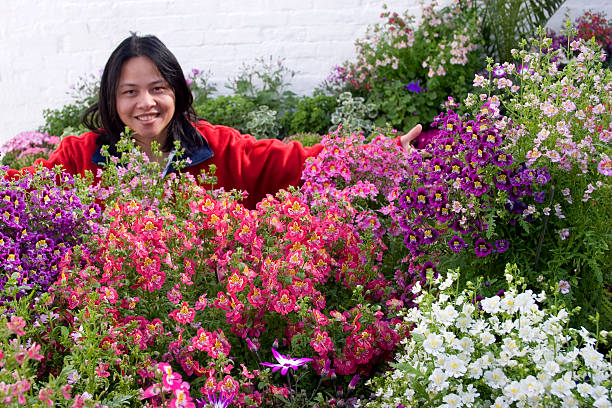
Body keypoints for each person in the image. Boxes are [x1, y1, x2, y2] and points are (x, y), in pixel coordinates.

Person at [7, 34, 422, 209]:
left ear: (177, 91)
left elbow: (295, 160)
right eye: (129, 92)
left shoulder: (215, 148)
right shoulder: (81, 157)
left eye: (158, 88)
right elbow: (21, 193)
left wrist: (379, 153)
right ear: (112, 99)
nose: (145, 103)